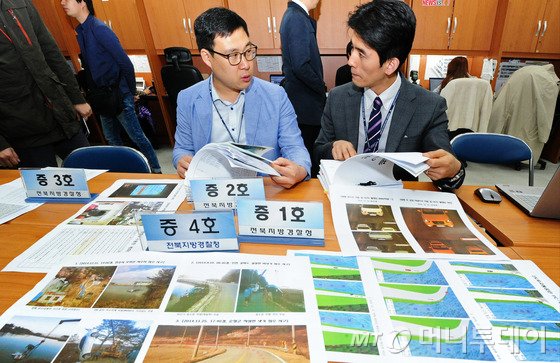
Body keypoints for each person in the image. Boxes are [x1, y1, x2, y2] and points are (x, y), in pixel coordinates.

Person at [314, 0, 464, 191]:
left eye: (361, 53)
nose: (350, 61)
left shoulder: (428, 106)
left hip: (397, 201)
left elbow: (444, 164)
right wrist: (334, 146)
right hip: (345, 194)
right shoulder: (338, 98)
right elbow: (318, 151)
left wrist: (453, 169)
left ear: (390, 65)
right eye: (352, 48)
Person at [173, 8, 311, 189]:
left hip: (263, 191)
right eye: (233, 56)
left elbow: (295, 147)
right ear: (207, 57)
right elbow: (182, 148)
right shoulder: (187, 99)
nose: (246, 64)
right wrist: (181, 160)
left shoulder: (275, 96)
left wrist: (300, 169)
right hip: (213, 192)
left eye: (248, 51)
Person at [61, 0, 162, 173]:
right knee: (111, 138)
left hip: (119, 94)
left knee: (137, 136)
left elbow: (125, 63)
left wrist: (129, 93)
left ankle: (156, 170)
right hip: (101, 96)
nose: (63, 3)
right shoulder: (81, 31)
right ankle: (123, 172)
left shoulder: (99, 29)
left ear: (82, 3)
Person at [0, 0, 92, 168]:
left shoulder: (21, 3)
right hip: (21, 127)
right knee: (47, 192)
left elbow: (51, 51)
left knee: (94, 172)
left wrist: (76, 98)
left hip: (60, 115)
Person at [280, 0, 326, 174]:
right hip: (306, 104)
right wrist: (321, 87)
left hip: (302, 102)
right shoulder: (296, 18)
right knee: (309, 161)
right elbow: (301, 66)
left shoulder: (294, 16)